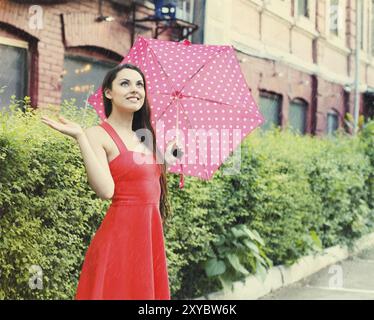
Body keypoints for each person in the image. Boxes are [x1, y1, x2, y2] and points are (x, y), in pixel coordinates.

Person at [41, 63, 179, 300]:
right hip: (119, 242)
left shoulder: (145, 137)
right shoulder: (97, 134)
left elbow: (145, 184)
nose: (134, 89)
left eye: (139, 84)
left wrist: (169, 155)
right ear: (108, 92)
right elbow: (106, 190)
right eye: (125, 83)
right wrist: (81, 138)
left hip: (148, 240)